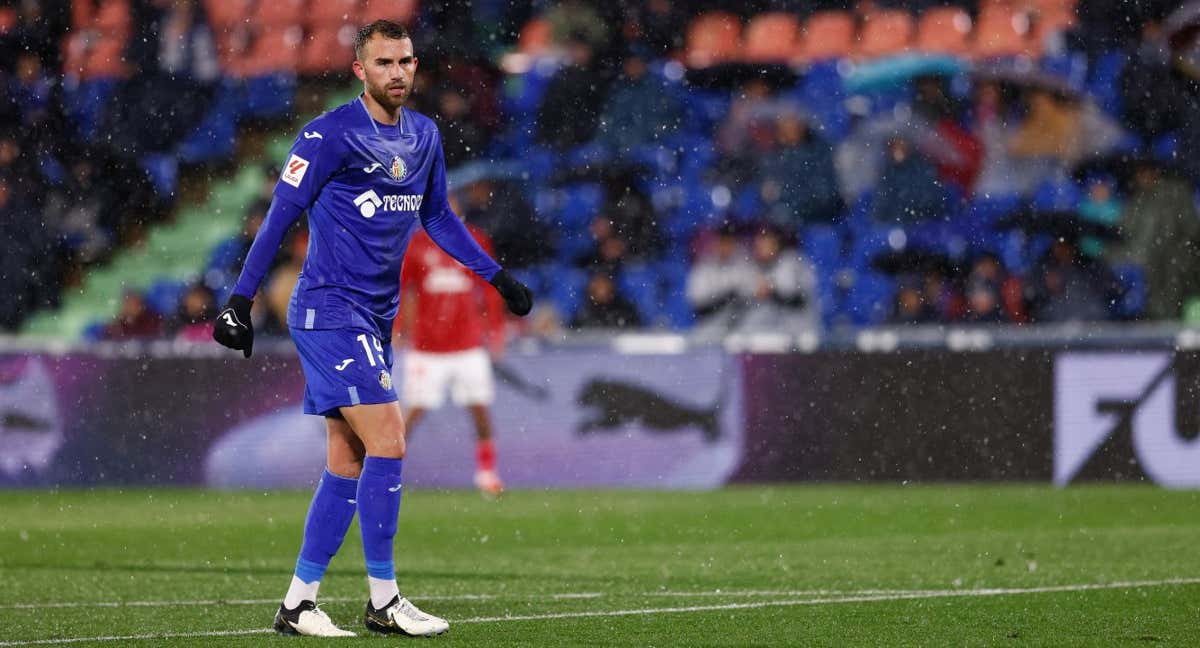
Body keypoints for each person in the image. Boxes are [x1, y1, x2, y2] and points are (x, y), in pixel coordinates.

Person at [212, 21, 532, 638]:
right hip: (329, 309)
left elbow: (437, 217)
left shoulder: (425, 136)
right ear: (359, 69)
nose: (398, 72)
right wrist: (239, 300)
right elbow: (282, 214)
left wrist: (497, 278)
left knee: (349, 460)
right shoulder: (328, 133)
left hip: (374, 318)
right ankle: (383, 599)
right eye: (384, 62)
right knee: (389, 439)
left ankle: (298, 603)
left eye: (406, 61)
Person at [396, 224, 507, 496]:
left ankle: (487, 474)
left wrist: (495, 328)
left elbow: (491, 286)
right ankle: (385, 474)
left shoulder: (475, 238)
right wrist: (398, 326)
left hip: (467, 344)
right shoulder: (416, 245)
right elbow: (401, 287)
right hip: (427, 346)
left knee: (479, 408)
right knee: (415, 411)